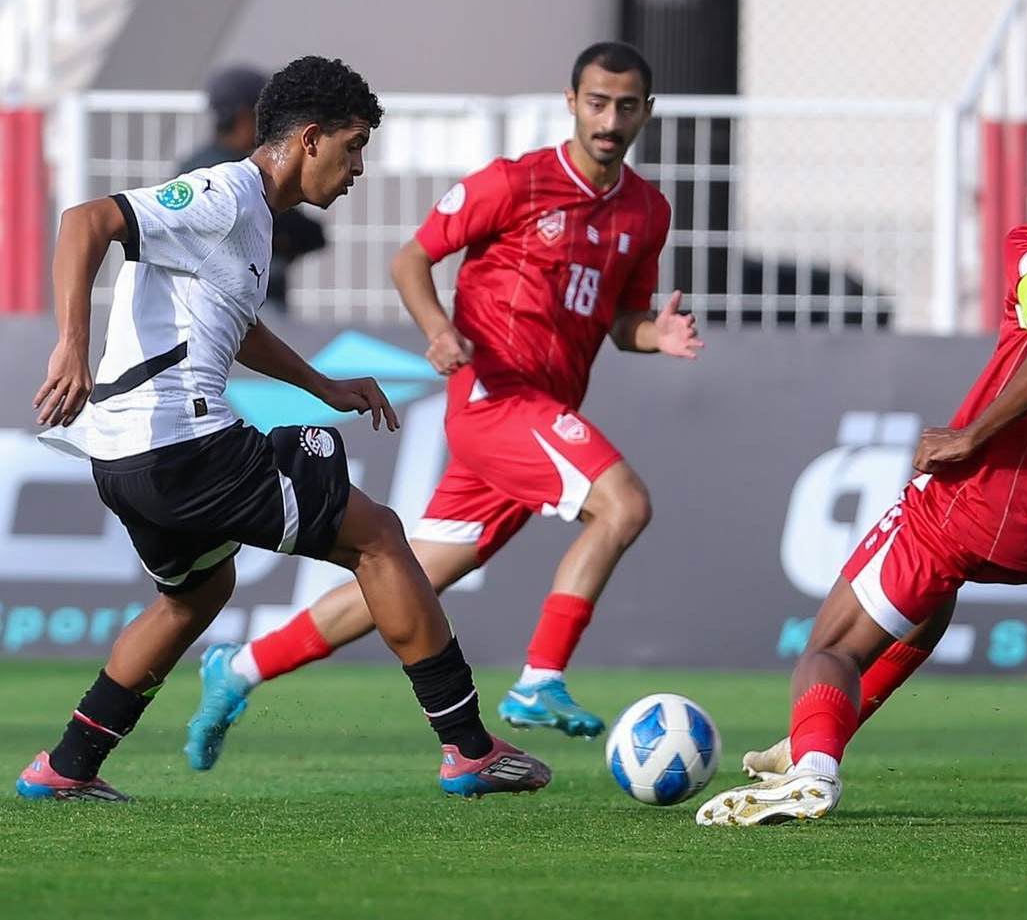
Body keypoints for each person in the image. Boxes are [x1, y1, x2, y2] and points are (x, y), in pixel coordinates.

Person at [15, 55, 550, 802]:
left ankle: (67, 766)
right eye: (354, 143)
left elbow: (237, 324)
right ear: (308, 139)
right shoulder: (226, 192)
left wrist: (323, 385)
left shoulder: (255, 219)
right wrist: (72, 340)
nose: (359, 166)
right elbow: (87, 221)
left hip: (127, 457)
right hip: (181, 441)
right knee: (380, 537)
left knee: (197, 593)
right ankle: (467, 746)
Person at [184, 39, 703, 770]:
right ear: (571, 102)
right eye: (596, 102)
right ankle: (539, 681)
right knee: (624, 505)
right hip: (496, 398)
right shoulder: (515, 182)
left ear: (645, 113)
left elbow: (623, 322)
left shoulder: (647, 211)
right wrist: (439, 330)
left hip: (539, 415)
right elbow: (412, 258)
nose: (609, 119)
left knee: (404, 579)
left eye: (624, 106)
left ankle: (239, 669)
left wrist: (659, 332)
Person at [696, 101, 1027, 826]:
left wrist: (971, 436)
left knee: (827, 647)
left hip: (977, 498)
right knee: (927, 608)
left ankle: (813, 769)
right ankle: (816, 736)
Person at [179, 63, 327, 313]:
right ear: (245, 114)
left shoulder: (190, 167)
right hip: (252, 307)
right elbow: (308, 233)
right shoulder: (248, 175)